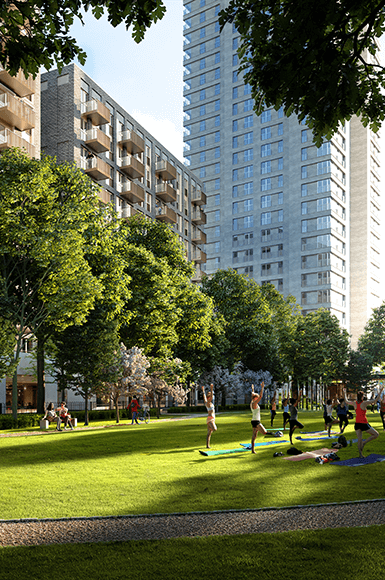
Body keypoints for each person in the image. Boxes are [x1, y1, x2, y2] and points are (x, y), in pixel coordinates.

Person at [344, 386, 384, 458]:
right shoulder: (364, 403)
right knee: (376, 434)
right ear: (362, 397)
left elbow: (346, 401)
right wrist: (380, 391)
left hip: (357, 423)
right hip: (364, 423)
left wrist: (344, 393)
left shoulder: (354, 403)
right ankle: (364, 443)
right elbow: (375, 401)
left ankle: (360, 454)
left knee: (359, 439)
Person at [250, 382, 267, 454]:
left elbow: (253, 394)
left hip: (254, 420)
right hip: (256, 421)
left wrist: (253, 389)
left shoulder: (252, 402)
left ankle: (252, 450)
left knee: (254, 436)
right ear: (255, 398)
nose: (258, 399)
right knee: (264, 432)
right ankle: (253, 450)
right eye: (256, 397)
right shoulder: (254, 403)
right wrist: (262, 387)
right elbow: (260, 396)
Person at [202, 384, 217, 448]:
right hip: (210, 419)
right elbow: (210, 396)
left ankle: (207, 445)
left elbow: (204, 396)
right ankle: (207, 445)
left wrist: (203, 390)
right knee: (215, 429)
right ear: (209, 398)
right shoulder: (208, 403)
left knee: (209, 434)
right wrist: (211, 389)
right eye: (211, 397)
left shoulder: (208, 402)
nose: (212, 398)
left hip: (212, 419)